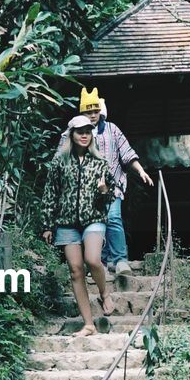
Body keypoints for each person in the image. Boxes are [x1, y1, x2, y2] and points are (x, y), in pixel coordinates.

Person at [58, 87, 153, 276]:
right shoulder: (74, 132)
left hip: (112, 186)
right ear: (82, 113)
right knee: (93, 226)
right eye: (88, 112)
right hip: (85, 191)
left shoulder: (112, 129)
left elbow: (126, 153)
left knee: (113, 218)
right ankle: (100, 263)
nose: (92, 115)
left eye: (95, 111)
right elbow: (60, 158)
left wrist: (141, 171)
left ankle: (120, 261)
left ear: (100, 110)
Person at [41, 116, 118, 336]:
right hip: (66, 222)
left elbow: (110, 196)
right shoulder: (60, 162)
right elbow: (50, 193)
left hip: (93, 218)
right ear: (71, 135)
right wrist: (47, 224)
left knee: (92, 259)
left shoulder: (100, 162)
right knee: (76, 271)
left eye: (87, 131)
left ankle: (104, 293)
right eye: (79, 131)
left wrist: (104, 191)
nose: (84, 135)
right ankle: (89, 324)